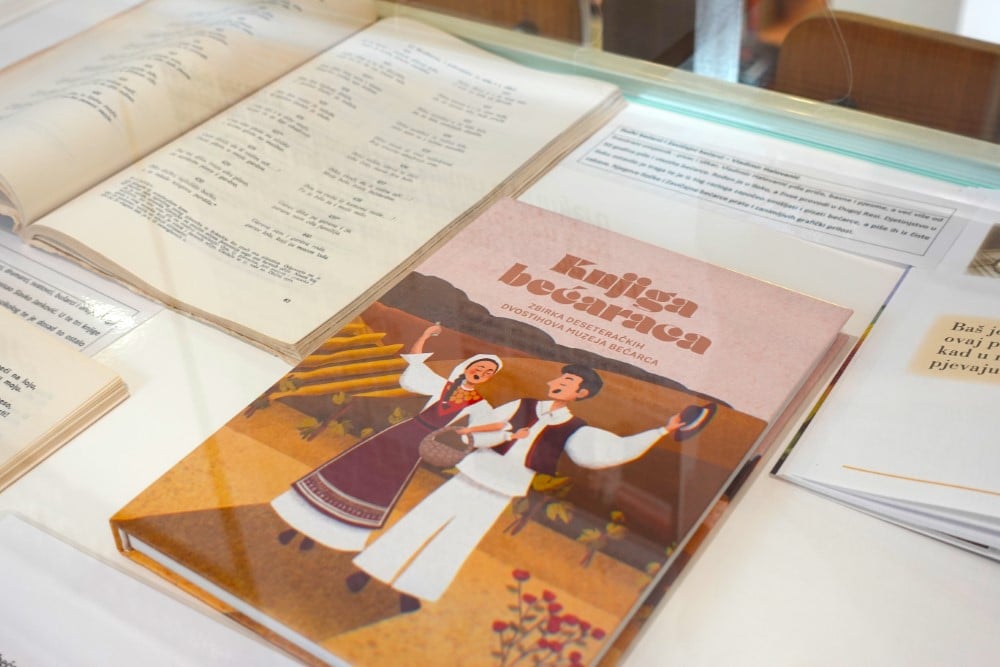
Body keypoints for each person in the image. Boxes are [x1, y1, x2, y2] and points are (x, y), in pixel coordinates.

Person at [347, 363, 716, 612]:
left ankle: (413, 589)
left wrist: (663, 430)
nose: (560, 382)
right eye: (562, 377)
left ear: (581, 393)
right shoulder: (521, 405)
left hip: (508, 484)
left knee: (460, 537)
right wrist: (502, 433)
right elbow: (488, 426)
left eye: (569, 382)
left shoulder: (575, 429)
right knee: (425, 517)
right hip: (478, 469)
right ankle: (371, 569)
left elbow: (606, 452)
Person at [270, 323, 501, 552]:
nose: (481, 373)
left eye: (488, 373)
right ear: (468, 367)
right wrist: (425, 335)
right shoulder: (442, 385)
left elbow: (496, 427)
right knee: (354, 467)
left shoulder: (479, 404)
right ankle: (298, 526)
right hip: (403, 431)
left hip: (420, 445)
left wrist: (466, 433)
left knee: (382, 482)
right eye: (480, 367)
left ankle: (326, 533)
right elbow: (416, 363)